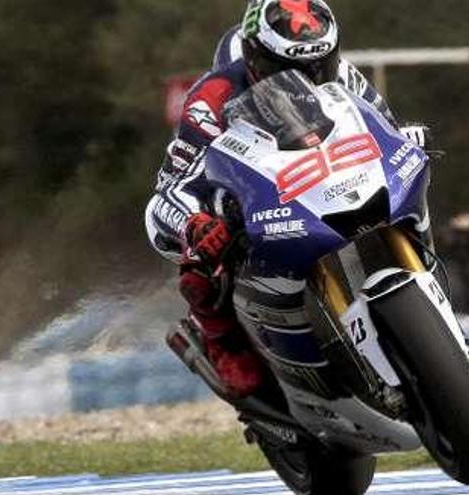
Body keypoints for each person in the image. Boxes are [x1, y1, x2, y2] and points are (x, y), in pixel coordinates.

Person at [145, 0, 426, 398]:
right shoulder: (211, 98)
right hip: (254, 196)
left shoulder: (345, 75)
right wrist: (195, 224)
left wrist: (410, 140)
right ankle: (224, 342)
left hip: (335, 179)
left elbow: (386, 128)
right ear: (256, 59)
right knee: (201, 254)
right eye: (291, 69)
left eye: (320, 65)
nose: (310, 78)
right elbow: (171, 188)